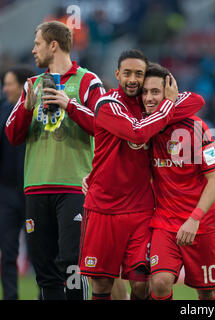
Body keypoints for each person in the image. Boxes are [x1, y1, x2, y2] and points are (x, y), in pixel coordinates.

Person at [79, 50, 204, 300]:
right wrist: (167, 105)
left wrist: (166, 96)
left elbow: (197, 101)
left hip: (140, 210)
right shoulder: (107, 104)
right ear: (117, 75)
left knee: (140, 284)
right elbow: (137, 133)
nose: (133, 80)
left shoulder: (149, 105)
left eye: (139, 74)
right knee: (102, 285)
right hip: (103, 207)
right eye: (127, 73)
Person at [5, 21, 105, 300]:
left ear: (53, 45)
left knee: (73, 265)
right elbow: (12, 135)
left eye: (37, 43)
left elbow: (105, 126)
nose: (33, 49)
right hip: (36, 186)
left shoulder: (87, 81)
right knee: (45, 271)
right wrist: (26, 109)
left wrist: (69, 105)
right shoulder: (32, 85)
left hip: (74, 185)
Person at [144, 63, 215, 300]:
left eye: (155, 92)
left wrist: (194, 219)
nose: (149, 98)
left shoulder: (196, 127)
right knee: (159, 282)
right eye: (145, 92)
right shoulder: (145, 127)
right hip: (165, 222)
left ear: (169, 93)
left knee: (207, 293)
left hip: (202, 224)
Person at [0, 65, 35, 300]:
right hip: (7, 193)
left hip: (34, 192)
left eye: (9, 83)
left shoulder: (38, 112)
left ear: (23, 86)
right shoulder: (2, 111)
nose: (5, 88)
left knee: (40, 250)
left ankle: (44, 294)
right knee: (8, 250)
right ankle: (10, 297)